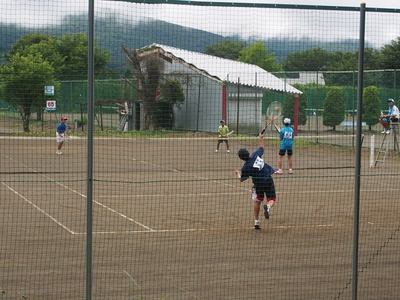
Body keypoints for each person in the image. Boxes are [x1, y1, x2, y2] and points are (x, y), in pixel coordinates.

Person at [234, 133, 276, 230]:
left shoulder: (245, 167)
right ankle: (268, 207)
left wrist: (237, 173)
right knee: (272, 199)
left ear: (241, 158)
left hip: (258, 184)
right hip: (268, 179)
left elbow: (241, 179)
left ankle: (256, 221)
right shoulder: (256, 154)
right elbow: (262, 147)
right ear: (248, 153)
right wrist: (261, 138)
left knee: (257, 201)